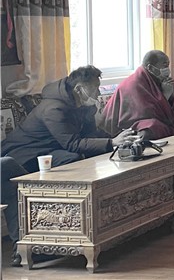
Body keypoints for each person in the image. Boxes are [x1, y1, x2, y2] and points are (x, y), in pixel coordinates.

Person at [1, 65, 134, 266]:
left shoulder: (82, 105)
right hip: (24, 155)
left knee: (76, 158)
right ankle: (58, 230)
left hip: (49, 151)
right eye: (95, 88)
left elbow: (92, 135)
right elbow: (72, 143)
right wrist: (111, 143)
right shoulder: (54, 108)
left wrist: (118, 141)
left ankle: (83, 223)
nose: (98, 93)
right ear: (79, 89)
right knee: (74, 158)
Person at [102, 50, 174, 140]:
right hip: (131, 125)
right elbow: (146, 113)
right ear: (150, 67)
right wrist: (165, 96)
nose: (167, 69)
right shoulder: (135, 83)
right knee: (152, 128)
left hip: (163, 117)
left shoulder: (159, 78)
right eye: (164, 65)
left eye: (168, 65)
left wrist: (173, 96)